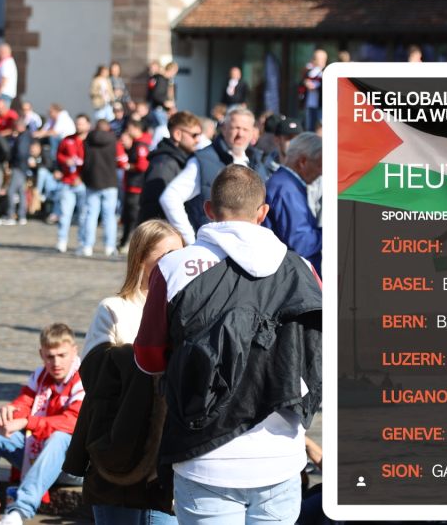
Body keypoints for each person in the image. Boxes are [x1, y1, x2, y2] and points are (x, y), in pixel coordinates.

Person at [134, 165, 322, 525]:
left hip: (203, 451)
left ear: (208, 209)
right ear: (262, 212)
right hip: (280, 453)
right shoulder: (303, 269)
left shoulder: (174, 268)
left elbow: (148, 358)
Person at [64, 220, 184, 524]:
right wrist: (150, 358)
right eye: (166, 256)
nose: (175, 263)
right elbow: (94, 374)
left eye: (180, 255)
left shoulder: (188, 308)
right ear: (141, 259)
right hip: (118, 455)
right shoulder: (114, 308)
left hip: (167, 463)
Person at [0, 323, 85, 525]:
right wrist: (7, 413)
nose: (56, 363)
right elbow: (23, 403)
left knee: (59, 438)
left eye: (62, 355)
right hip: (38, 452)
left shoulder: (83, 377)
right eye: (50, 357)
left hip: (74, 465)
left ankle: (18, 513)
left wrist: (26, 421)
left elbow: (73, 423)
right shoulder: (40, 375)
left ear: (74, 351)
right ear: (41, 354)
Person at [158, 107, 269, 245]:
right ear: (224, 128)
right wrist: (190, 240)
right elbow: (170, 197)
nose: (240, 134)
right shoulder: (203, 160)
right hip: (211, 248)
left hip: (247, 247)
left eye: (245, 129)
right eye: (235, 128)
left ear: (253, 132)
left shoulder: (257, 162)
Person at [263, 133, 322, 274]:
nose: (321, 172)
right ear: (302, 162)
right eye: (319, 165)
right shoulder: (287, 189)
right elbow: (302, 243)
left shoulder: (285, 184)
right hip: (291, 274)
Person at [137, 111, 200, 225]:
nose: (198, 140)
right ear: (177, 134)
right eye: (194, 135)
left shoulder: (182, 160)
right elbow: (153, 209)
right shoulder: (164, 164)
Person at [80, 119, 119, 257]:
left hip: (92, 181)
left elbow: (84, 161)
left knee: (91, 215)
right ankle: (109, 246)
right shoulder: (113, 140)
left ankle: (87, 246)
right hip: (110, 181)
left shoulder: (88, 140)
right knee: (110, 216)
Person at [54, 114, 89, 253]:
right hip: (67, 181)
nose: (78, 126)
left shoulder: (90, 142)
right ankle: (62, 240)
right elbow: (58, 156)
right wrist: (64, 161)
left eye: (81, 124)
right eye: (77, 123)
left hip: (83, 183)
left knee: (83, 215)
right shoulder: (67, 140)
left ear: (88, 125)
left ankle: (82, 242)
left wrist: (82, 177)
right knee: (65, 214)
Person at [118, 119, 152, 250]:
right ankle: (124, 241)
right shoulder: (136, 144)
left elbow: (142, 166)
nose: (127, 131)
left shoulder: (140, 145)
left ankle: (131, 243)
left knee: (133, 217)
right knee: (127, 216)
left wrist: (128, 166)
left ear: (135, 128)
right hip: (131, 185)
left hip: (136, 187)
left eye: (129, 128)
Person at [299, 49, 326, 131]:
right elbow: (302, 82)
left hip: (321, 106)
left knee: (322, 127)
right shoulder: (309, 70)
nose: (314, 60)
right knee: (309, 128)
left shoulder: (326, 72)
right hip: (309, 105)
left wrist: (317, 86)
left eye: (316, 58)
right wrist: (305, 82)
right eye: (314, 58)